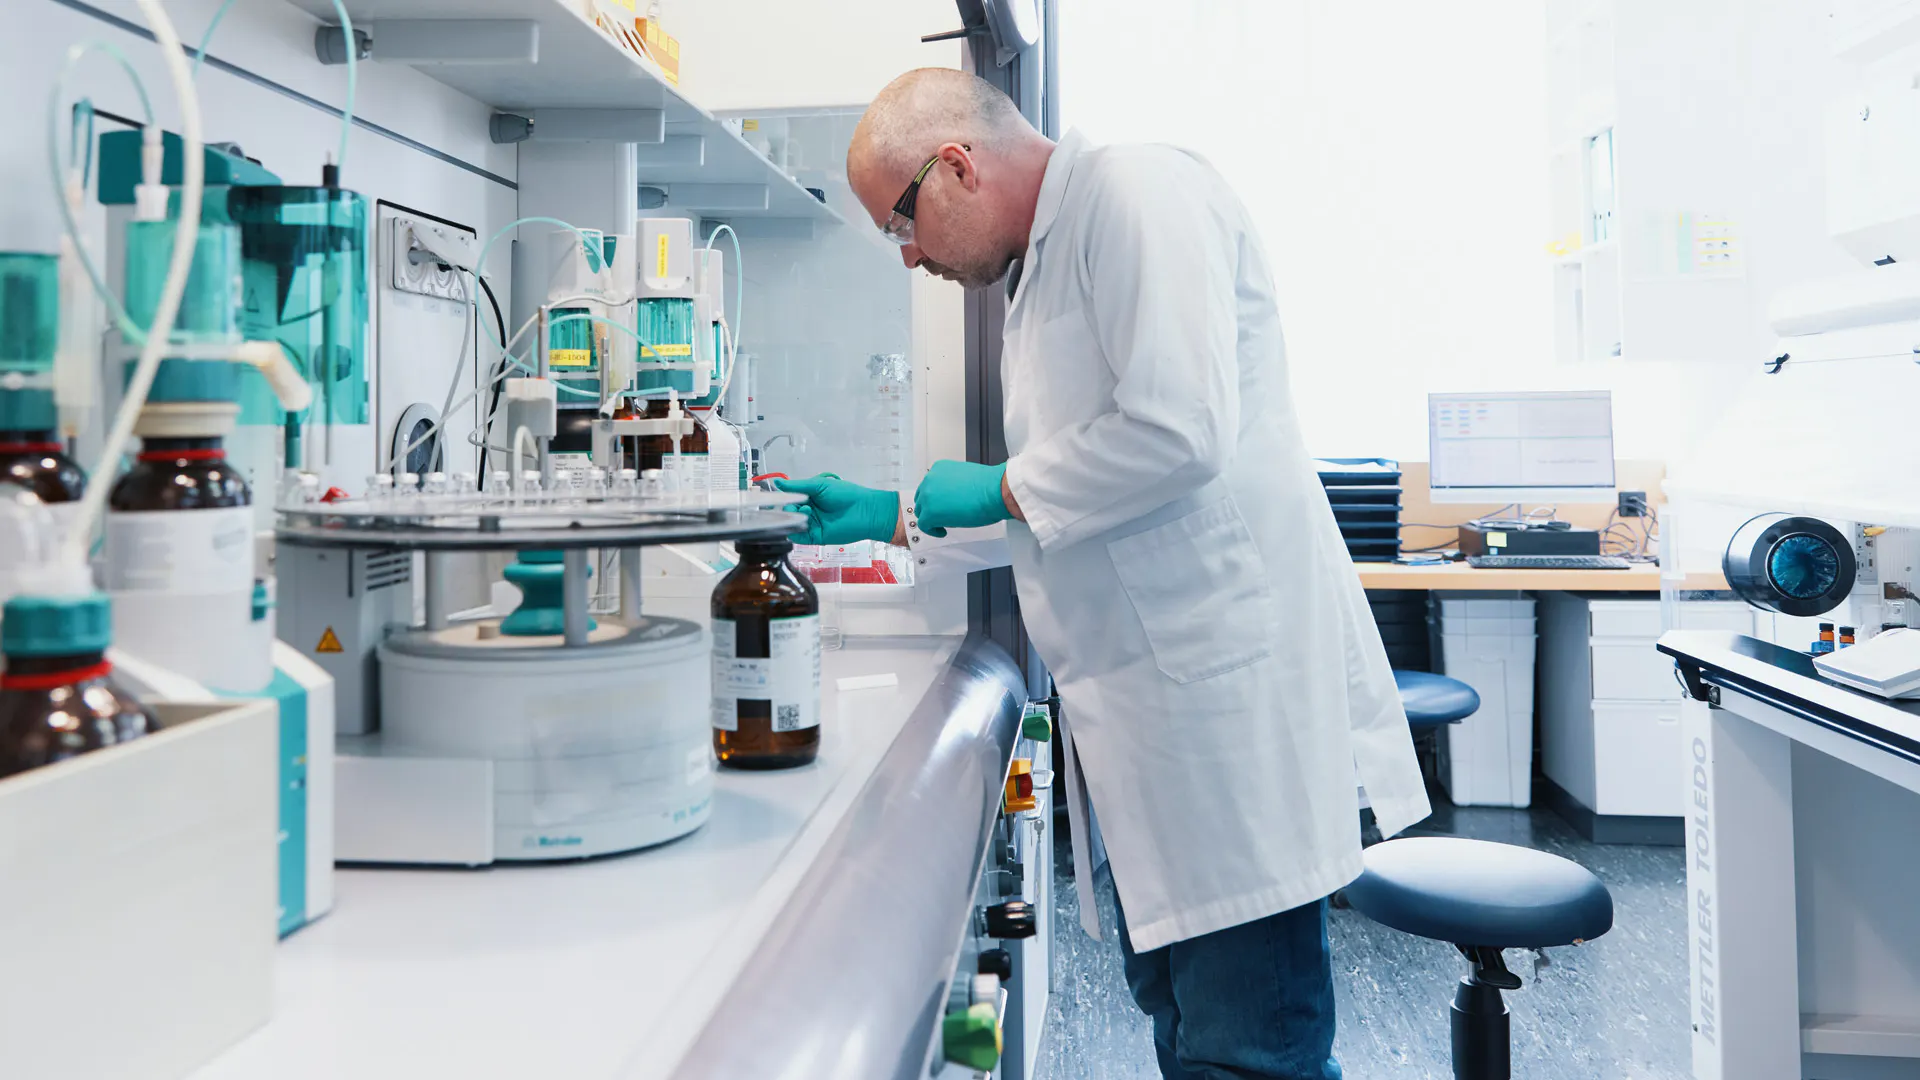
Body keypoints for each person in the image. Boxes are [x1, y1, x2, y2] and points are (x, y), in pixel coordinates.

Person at [777, 68, 1429, 1080]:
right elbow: (1074, 504)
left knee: (1250, 1055)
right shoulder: (1046, 268)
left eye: (900, 223)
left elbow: (1179, 432)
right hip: (1156, 743)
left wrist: (992, 486)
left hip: (1227, 740)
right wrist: (890, 512)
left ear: (955, 166)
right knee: (1190, 1036)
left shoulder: (1139, 192)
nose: (907, 255)